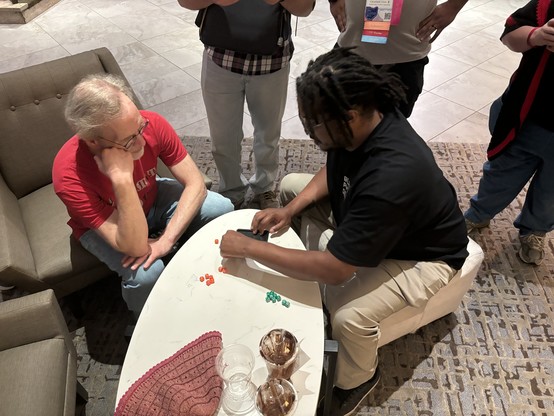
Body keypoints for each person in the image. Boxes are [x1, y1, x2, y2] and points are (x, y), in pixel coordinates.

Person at [219, 48, 469, 415]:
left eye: (313, 124)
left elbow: (338, 270)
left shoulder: (392, 176)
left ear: (349, 117)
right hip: (375, 218)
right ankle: (311, 264)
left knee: (348, 318)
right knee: (291, 186)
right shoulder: (364, 122)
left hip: (423, 256)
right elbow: (339, 170)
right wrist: (289, 209)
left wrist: (249, 248)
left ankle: (359, 379)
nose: (309, 131)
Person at [53, 74, 233, 318]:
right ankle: (145, 318)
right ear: (93, 140)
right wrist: (122, 180)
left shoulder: (151, 123)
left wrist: (166, 241)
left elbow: (196, 184)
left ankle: (191, 264)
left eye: (140, 127)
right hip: (107, 224)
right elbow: (135, 246)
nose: (141, 141)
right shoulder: (68, 174)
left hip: (151, 195)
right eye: (128, 140)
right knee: (146, 274)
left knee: (220, 208)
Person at [178, 0, 314, 209]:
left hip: (272, 61)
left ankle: (264, 187)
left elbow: (305, 8)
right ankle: (231, 189)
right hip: (220, 58)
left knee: (268, 135)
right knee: (223, 137)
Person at [464, 0, 554, 266]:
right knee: (503, 171)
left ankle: (535, 229)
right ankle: (479, 213)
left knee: (551, 192)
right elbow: (510, 33)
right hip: (530, 117)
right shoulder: (547, 5)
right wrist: (536, 36)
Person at [329, 0, 468, 117]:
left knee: (392, 129)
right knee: (340, 124)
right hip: (352, 50)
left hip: (404, 56)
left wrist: (453, 6)